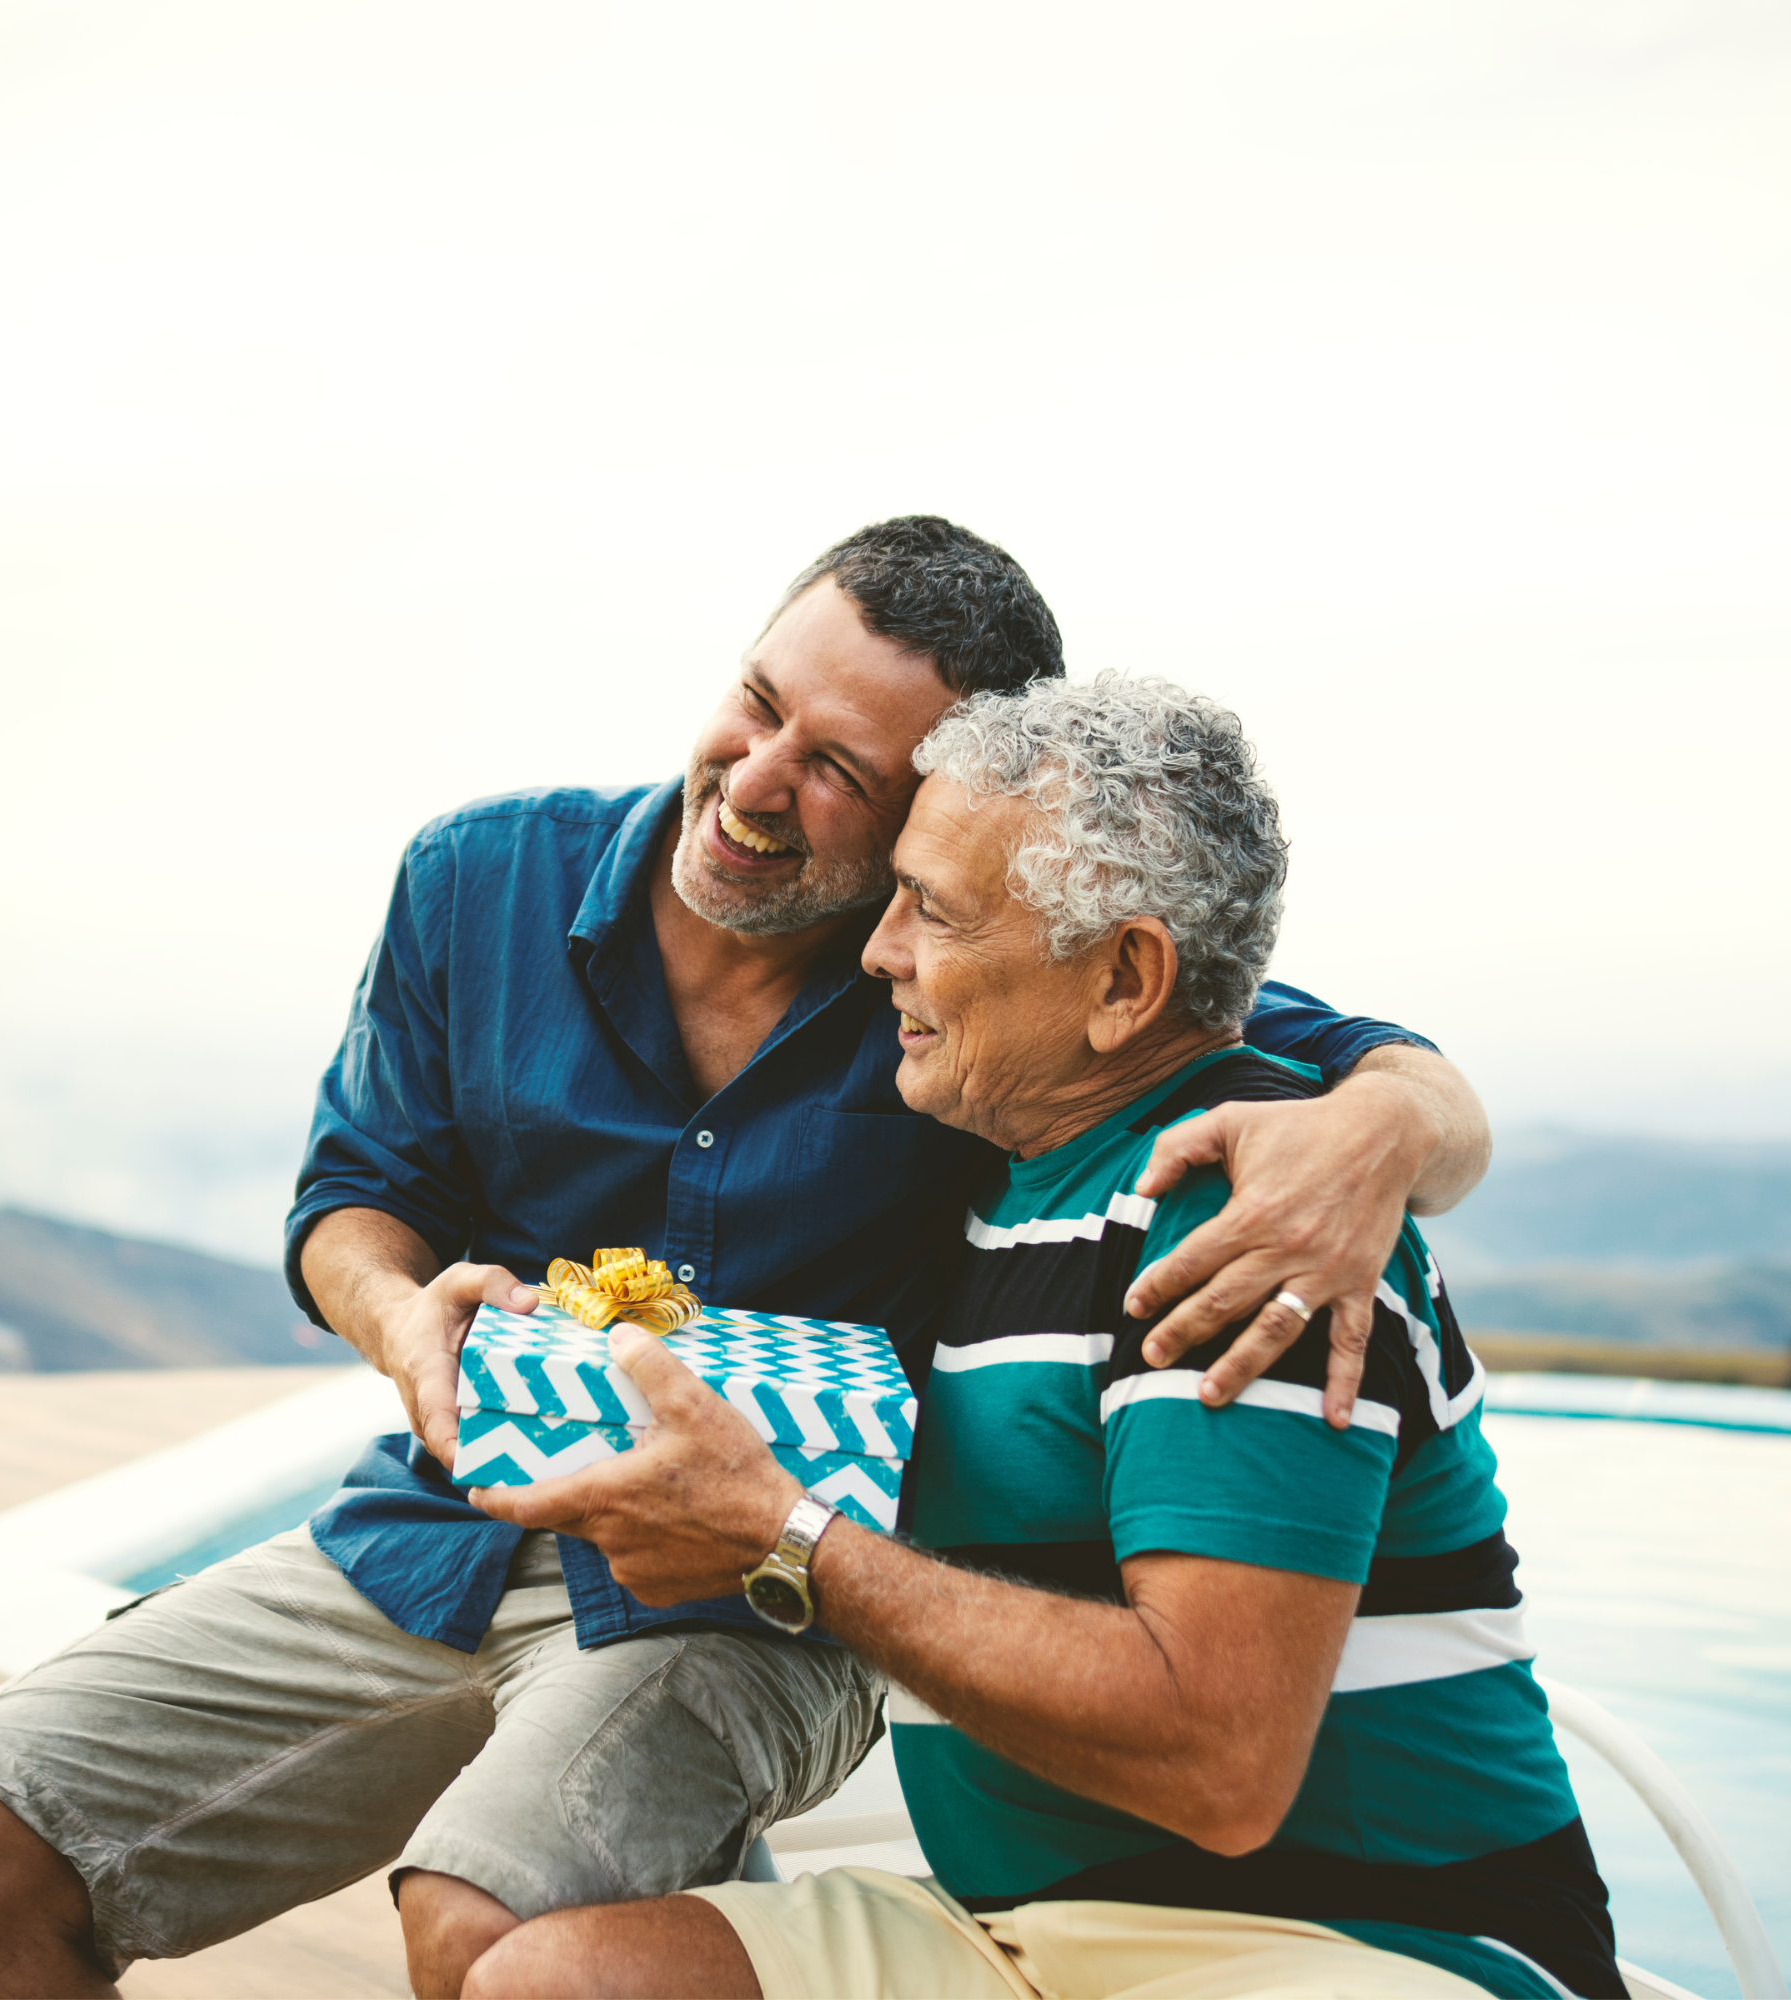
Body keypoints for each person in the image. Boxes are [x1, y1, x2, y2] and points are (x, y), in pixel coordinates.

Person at [0, 521, 1491, 1999]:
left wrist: (1384, 1131)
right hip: (445, 1515)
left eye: (843, 767)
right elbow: (355, 1197)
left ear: (950, 807)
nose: (757, 778)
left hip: (760, 1592)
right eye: (756, 698)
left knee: (491, 1924)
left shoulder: (976, 975)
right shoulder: (475, 878)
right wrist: (399, 1318)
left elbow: (1238, 1026)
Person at [457, 674, 1619, 2000]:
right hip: (1019, 1934)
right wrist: (573, 1319)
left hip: (1364, 1948)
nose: (878, 949)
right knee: (547, 1982)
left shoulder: (1236, 1219)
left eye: (931, 912)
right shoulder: (973, 1169)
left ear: (1124, 980)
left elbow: (1218, 1762)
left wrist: (791, 1545)